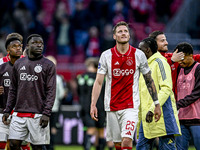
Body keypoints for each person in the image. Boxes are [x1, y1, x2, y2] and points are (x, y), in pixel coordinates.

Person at [90, 21, 161, 150]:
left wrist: (156, 103)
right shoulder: (106, 56)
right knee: (117, 144)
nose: (123, 33)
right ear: (114, 36)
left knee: (127, 141)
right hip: (111, 106)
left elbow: (149, 80)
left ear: (129, 35)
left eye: (125, 31)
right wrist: (93, 104)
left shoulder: (139, 55)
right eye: (120, 31)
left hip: (131, 106)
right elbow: (99, 82)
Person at [2, 34, 56, 150]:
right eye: (35, 43)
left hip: (38, 114)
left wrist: (46, 113)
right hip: (18, 113)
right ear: (27, 46)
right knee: (13, 144)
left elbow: (51, 91)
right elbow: (13, 89)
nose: (39, 45)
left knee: (37, 147)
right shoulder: (19, 63)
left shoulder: (48, 65)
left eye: (41, 43)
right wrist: (8, 109)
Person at [136, 37, 181, 150]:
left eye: (139, 49)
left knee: (167, 148)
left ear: (147, 50)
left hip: (162, 114)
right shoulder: (144, 67)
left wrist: (153, 108)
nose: (137, 52)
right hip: (147, 116)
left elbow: (166, 88)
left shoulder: (160, 62)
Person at [174, 42, 200, 150]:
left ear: (190, 56)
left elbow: (197, 92)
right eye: (178, 59)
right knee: (180, 148)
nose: (180, 62)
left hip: (197, 118)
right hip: (181, 118)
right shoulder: (179, 69)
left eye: (183, 58)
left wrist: (178, 104)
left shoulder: (198, 68)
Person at [77, 57, 106, 150]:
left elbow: (79, 92)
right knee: (101, 130)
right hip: (102, 107)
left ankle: (87, 147)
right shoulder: (102, 78)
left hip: (87, 107)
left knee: (90, 129)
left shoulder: (82, 77)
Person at [0, 36, 23, 150]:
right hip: (3, 109)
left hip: (22, 111)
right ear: (8, 49)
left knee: (20, 144)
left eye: (20, 45)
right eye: (14, 46)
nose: (18, 48)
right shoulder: (1, 65)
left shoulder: (28, 64)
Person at [45, 55, 65, 150]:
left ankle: (44, 146)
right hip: (54, 107)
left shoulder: (40, 77)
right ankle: (51, 147)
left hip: (42, 108)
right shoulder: (58, 78)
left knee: (43, 128)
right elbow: (61, 94)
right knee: (53, 128)